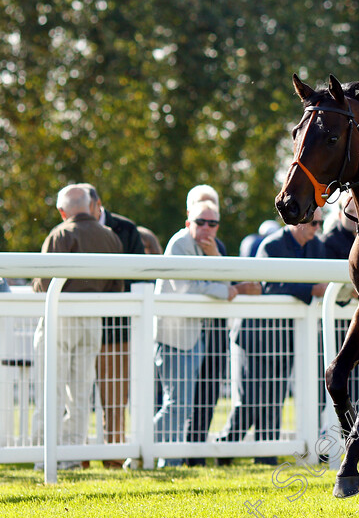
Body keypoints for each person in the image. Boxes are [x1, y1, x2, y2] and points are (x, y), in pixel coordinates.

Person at [218, 208, 327, 465]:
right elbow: (270, 285)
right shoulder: (272, 245)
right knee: (251, 401)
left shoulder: (317, 247)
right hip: (255, 336)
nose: (316, 228)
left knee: (275, 399)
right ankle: (225, 450)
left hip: (287, 338)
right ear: (299, 221)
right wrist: (311, 289)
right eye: (313, 222)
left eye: (320, 223)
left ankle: (264, 457)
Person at [31, 185, 123, 469]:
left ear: (62, 211)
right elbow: (116, 287)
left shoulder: (61, 234)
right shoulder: (110, 237)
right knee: (81, 391)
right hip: (93, 320)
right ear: (89, 205)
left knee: (52, 388)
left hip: (60, 316)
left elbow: (42, 284)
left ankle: (43, 457)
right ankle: (71, 457)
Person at [154, 200, 252, 467]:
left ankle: (163, 459)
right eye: (200, 222)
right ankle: (143, 451)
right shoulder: (179, 244)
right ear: (188, 223)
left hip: (194, 336)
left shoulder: (209, 248)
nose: (206, 228)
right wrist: (223, 290)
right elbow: (188, 288)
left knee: (182, 405)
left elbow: (223, 283)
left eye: (212, 223)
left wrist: (215, 258)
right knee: (177, 404)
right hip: (173, 336)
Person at [80, 184, 145, 463]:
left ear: (97, 205)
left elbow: (140, 274)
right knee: (78, 398)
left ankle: (114, 459)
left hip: (115, 330)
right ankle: (77, 458)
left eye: (85, 210)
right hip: (80, 326)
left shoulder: (126, 229)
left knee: (115, 399)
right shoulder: (73, 228)